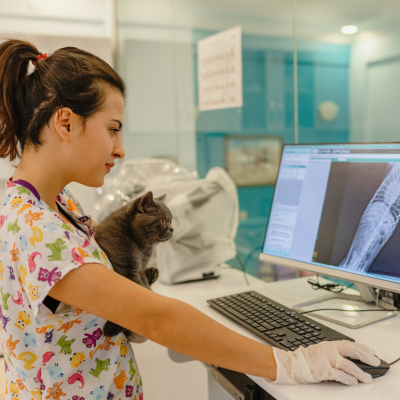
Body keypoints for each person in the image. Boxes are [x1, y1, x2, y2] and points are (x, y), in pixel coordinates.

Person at [0, 38, 381, 399]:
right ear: (65, 123)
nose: (120, 149)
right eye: (113, 129)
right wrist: (288, 363)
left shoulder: (55, 203)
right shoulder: (35, 229)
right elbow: (157, 318)